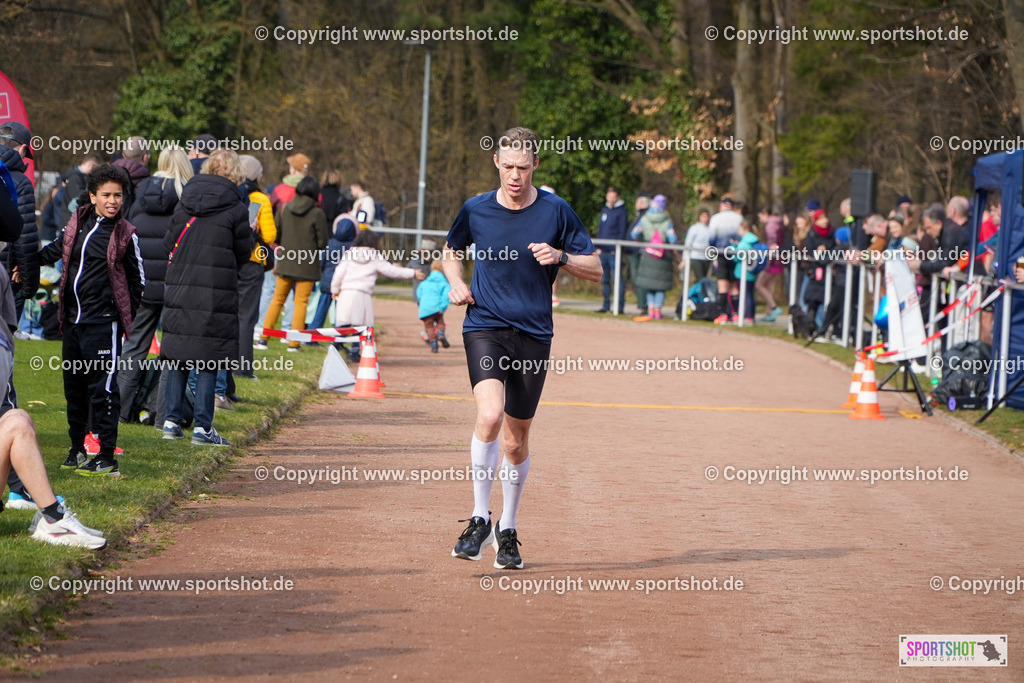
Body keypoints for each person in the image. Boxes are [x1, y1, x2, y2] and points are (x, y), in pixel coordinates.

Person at [444, 126, 600, 570]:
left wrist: (561, 257)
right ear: (496, 162)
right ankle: (479, 517)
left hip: (533, 334)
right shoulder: (476, 209)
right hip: (485, 325)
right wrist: (456, 282)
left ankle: (507, 529)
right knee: (489, 415)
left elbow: (596, 267)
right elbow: (451, 250)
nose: (515, 175)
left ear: (536, 165)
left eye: (523, 167)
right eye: (508, 166)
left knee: (515, 442)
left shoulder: (556, 210)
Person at [38, 164, 144, 477]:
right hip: (72, 322)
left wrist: (119, 316)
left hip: (103, 325)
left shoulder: (125, 234)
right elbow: (55, 250)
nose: (113, 201)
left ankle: (107, 457)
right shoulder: (79, 221)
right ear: (94, 196)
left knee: (103, 390)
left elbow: (138, 282)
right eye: (106, 195)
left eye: (118, 195)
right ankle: (77, 449)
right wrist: (21, 262)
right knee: (74, 389)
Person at [161, 149, 253, 447]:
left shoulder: (185, 200)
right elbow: (243, 252)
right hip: (215, 288)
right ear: (235, 173)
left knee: (177, 354)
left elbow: (168, 241)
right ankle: (202, 426)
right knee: (209, 357)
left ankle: (171, 420)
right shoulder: (236, 208)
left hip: (181, 284)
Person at [117, 147, 193, 423]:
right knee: (172, 352)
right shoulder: (187, 199)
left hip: (143, 282)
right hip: (176, 284)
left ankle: (119, 411)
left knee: (134, 346)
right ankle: (164, 415)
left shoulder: (141, 194)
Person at [258, 176, 329, 352]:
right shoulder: (317, 213)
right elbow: (322, 243)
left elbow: (276, 235)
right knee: (301, 303)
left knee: (277, 300)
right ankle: (294, 344)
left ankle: (263, 339)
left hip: (286, 262)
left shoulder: (285, 208)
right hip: (307, 265)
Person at [330, 228, 424, 361]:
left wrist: (334, 290)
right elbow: (391, 271)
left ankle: (334, 347)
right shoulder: (374, 256)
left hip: (346, 293)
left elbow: (338, 273)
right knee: (360, 326)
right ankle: (354, 353)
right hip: (362, 295)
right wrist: (412, 273)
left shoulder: (349, 254)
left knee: (343, 324)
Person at [236, 155, 276, 379]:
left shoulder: (230, 193)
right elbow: (269, 236)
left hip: (231, 260)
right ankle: (243, 368)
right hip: (253, 260)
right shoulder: (261, 199)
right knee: (247, 316)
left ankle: (223, 366)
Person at [0, 122, 40, 320]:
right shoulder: (20, 182)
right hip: (6, 274)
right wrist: (30, 284)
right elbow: (25, 238)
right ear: (23, 149)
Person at [630, 194, 677, 320]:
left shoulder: (644, 218)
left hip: (648, 254)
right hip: (663, 256)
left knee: (648, 284)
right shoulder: (667, 221)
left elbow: (634, 234)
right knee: (660, 286)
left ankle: (650, 310)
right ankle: (658, 311)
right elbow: (673, 239)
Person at [309, 209, 357, 331]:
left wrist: (322, 273)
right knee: (341, 313)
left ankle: (313, 332)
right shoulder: (354, 248)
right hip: (344, 285)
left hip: (327, 283)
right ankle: (339, 335)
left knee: (321, 310)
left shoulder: (329, 244)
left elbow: (322, 261)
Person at [708, 196, 742, 324]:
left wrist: (712, 249)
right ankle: (736, 314)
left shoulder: (716, 218)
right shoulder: (739, 218)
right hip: (734, 253)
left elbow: (711, 238)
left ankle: (723, 314)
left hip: (721, 253)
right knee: (733, 285)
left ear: (722, 205)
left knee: (722, 284)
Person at [594, 186, 628, 314]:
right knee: (605, 279)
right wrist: (598, 247)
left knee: (618, 279)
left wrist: (616, 248)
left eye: (614, 196)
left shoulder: (622, 212)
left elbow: (622, 231)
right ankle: (606, 305)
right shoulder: (605, 210)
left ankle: (619, 307)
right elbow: (600, 229)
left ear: (617, 197)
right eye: (609, 196)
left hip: (614, 252)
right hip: (602, 251)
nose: (611, 198)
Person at [755, 208, 784, 321]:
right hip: (779, 259)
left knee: (759, 284)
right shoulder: (778, 222)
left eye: (761, 217)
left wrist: (768, 260)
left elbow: (773, 244)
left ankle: (774, 307)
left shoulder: (770, 225)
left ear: (765, 214)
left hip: (773, 260)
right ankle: (770, 313)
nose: (760, 220)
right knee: (769, 286)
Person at [60, 153, 102, 228]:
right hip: (70, 223)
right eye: (97, 169)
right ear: (90, 165)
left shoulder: (75, 177)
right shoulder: (75, 178)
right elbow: (78, 200)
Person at [418, 260, 451, 353]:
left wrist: (423, 305)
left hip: (425, 309)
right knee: (440, 323)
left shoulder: (424, 283)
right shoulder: (444, 283)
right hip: (437, 308)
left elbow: (419, 295)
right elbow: (446, 297)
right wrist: (442, 308)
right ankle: (440, 333)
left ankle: (434, 344)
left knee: (429, 327)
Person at [627, 195, 650, 314]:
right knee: (636, 279)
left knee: (639, 279)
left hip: (639, 253)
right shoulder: (640, 215)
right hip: (634, 252)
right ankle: (642, 304)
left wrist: (640, 249)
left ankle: (643, 305)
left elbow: (636, 234)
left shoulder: (645, 216)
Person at [682, 209, 712, 282]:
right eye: (703, 216)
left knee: (704, 279)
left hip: (706, 257)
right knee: (700, 279)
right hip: (696, 257)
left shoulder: (710, 228)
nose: (706, 218)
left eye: (707, 216)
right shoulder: (694, 228)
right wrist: (684, 259)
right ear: (699, 217)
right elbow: (688, 243)